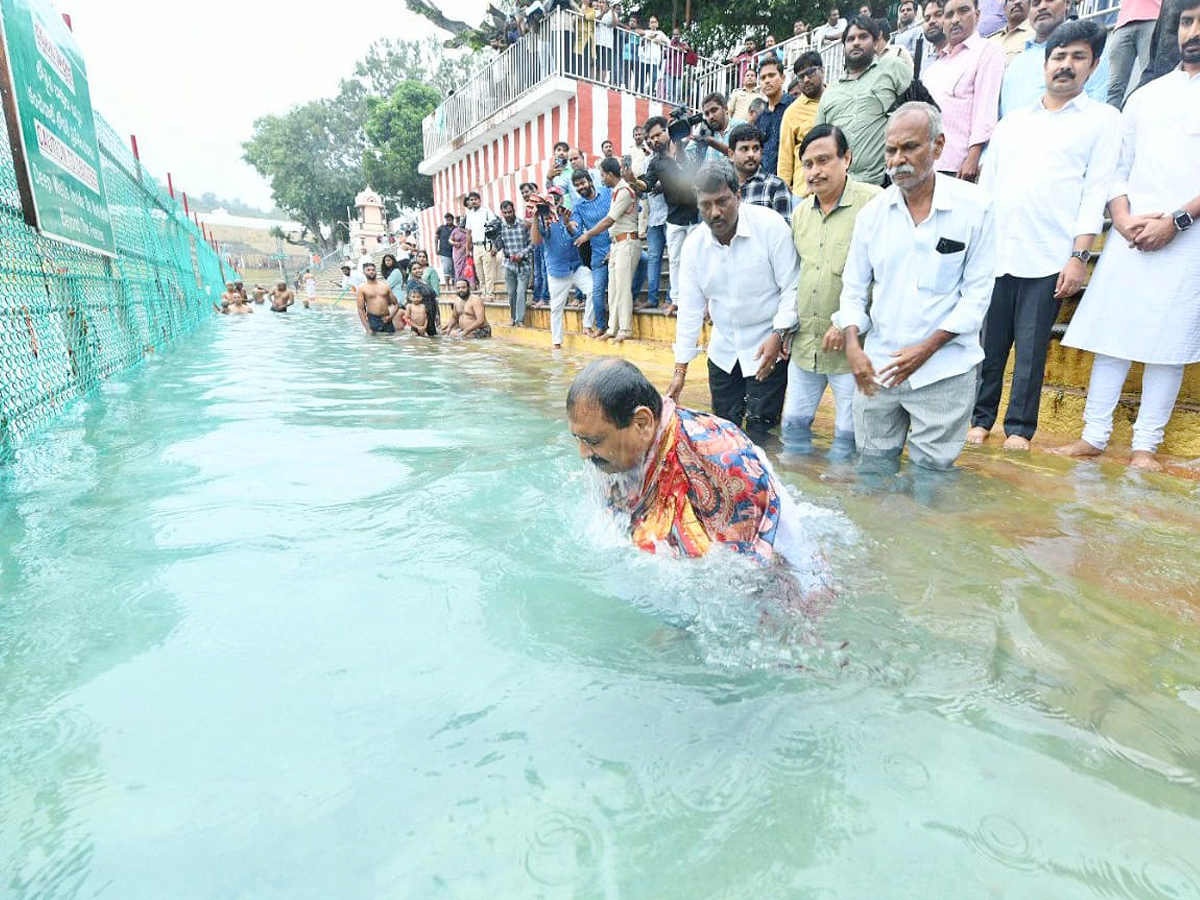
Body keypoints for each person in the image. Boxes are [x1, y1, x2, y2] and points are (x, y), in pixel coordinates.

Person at [1051, 1, 1200, 472]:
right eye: (1188, 21)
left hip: (1188, 236)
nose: (1192, 31)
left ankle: (1145, 448)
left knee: (1168, 344)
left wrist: (1174, 221)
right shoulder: (1147, 95)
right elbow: (1118, 167)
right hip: (1131, 232)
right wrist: (1123, 216)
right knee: (1113, 336)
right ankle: (1093, 436)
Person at [968, 19, 1120, 451]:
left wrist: (1079, 255)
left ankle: (1018, 430)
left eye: (1077, 57)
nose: (1066, 66)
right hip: (1000, 251)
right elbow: (988, 189)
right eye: (1058, 57)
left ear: (1093, 66)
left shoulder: (1102, 121)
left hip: (1050, 255)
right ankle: (981, 421)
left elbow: (1096, 191)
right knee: (989, 347)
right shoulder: (1013, 122)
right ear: (1045, 63)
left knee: (1032, 353)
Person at [831, 102, 996, 473]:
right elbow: (854, 288)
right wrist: (854, 346)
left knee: (932, 481)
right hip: (879, 367)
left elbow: (977, 296)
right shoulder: (872, 215)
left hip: (945, 372)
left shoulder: (975, 207)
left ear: (937, 146)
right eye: (891, 150)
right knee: (871, 472)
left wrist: (926, 349)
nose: (897, 160)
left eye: (910, 147)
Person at [566, 359, 811, 568]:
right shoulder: (625, 451)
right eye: (578, 439)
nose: (583, 453)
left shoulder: (722, 463)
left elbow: (753, 572)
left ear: (642, 423)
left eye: (593, 441)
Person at [668, 159, 801, 439]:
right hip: (724, 352)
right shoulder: (694, 247)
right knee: (722, 435)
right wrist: (680, 370)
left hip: (768, 349)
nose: (715, 212)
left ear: (738, 196)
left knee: (761, 434)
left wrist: (779, 333)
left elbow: (792, 286)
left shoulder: (770, 227)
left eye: (723, 201)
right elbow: (690, 310)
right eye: (705, 205)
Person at [784, 124, 882, 458]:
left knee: (847, 443)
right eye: (808, 164)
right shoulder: (799, 214)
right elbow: (794, 277)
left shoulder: (874, 205)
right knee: (792, 434)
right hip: (805, 346)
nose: (815, 171)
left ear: (847, 158)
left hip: (851, 352)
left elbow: (884, 279)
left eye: (824, 160)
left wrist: (846, 321)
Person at [815, 17, 914, 186]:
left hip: (885, 183)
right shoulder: (830, 92)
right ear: (844, 46)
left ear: (875, 42)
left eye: (863, 37)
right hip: (841, 187)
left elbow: (919, 111)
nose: (856, 43)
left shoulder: (892, 67)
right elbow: (819, 142)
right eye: (850, 39)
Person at [923, 0, 1006, 181]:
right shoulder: (933, 69)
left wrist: (973, 158)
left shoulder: (988, 51)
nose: (955, 20)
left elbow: (985, 109)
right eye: (949, 15)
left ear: (977, 15)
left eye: (963, 11)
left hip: (959, 167)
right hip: (929, 166)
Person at [636, 115, 701, 316]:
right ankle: (677, 300)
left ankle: (700, 300)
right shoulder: (655, 163)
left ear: (668, 130)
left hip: (696, 215)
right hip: (673, 218)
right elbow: (647, 185)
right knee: (675, 260)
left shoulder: (688, 147)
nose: (655, 139)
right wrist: (633, 182)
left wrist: (680, 147)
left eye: (659, 134)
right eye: (652, 137)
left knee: (699, 259)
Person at [1000, 0, 1111, 115]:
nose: (1042, 7)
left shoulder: (1087, 50)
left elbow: (1096, 104)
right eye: (1036, 3)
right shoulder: (1018, 61)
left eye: (1050, 0)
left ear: (1068, 3)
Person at [575, 157, 640, 342]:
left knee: (623, 288)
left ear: (611, 174)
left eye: (602, 174)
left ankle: (625, 329)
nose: (601, 178)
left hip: (627, 243)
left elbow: (609, 220)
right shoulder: (615, 191)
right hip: (617, 245)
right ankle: (612, 328)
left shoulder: (625, 191)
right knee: (613, 290)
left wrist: (587, 235)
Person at [531, 186, 592, 347]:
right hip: (557, 270)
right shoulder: (543, 219)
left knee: (593, 290)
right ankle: (556, 343)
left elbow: (579, 237)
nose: (554, 199)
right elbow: (536, 241)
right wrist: (535, 217)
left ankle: (587, 325)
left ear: (562, 198)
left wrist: (567, 224)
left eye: (557, 196)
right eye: (551, 196)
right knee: (556, 308)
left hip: (575, 265)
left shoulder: (570, 213)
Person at [570, 168, 613, 336]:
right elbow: (577, 228)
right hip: (598, 253)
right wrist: (570, 225)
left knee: (644, 260)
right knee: (596, 291)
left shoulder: (607, 193)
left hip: (618, 245)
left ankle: (634, 298)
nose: (580, 187)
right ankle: (601, 326)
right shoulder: (578, 206)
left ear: (590, 180)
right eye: (576, 186)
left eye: (582, 183)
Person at [778, 51, 827, 194]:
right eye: (800, 77)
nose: (805, 80)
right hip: (805, 193)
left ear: (822, 70)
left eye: (810, 73)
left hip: (839, 186)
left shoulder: (838, 98)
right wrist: (784, 193)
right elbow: (785, 159)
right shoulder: (792, 112)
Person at [729, 123, 792, 217]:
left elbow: (784, 229)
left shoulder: (775, 186)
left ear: (762, 152)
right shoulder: (724, 186)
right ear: (731, 155)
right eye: (744, 149)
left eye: (756, 149)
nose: (751, 154)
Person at [1108, 0, 1164, 105]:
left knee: (1151, 80)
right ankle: (1109, 119)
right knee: (1114, 87)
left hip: (1153, 19)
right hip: (1123, 23)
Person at [752, 57, 794, 176]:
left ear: (782, 78)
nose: (767, 81)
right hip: (766, 181)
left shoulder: (794, 107)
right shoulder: (760, 117)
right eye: (763, 78)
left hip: (791, 181)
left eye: (771, 75)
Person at [495, 200, 532, 326]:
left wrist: (521, 254)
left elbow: (532, 243)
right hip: (508, 264)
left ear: (514, 210)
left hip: (524, 264)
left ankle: (520, 320)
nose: (508, 215)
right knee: (511, 293)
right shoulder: (500, 227)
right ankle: (513, 317)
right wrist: (493, 240)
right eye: (505, 213)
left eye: (510, 212)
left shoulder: (524, 225)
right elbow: (498, 246)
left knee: (521, 292)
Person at [464, 191, 500, 301]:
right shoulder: (469, 215)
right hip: (476, 246)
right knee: (479, 272)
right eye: (471, 200)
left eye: (475, 199)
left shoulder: (487, 212)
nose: (473, 201)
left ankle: (489, 294)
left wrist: (494, 245)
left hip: (487, 244)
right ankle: (483, 292)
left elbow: (495, 229)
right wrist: (467, 249)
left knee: (488, 271)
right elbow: (468, 233)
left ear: (479, 200)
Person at [691, 92, 746, 161]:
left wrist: (712, 142)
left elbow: (744, 157)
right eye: (707, 114)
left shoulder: (741, 126)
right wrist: (678, 144)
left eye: (714, 110)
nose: (711, 116)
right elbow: (685, 161)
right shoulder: (703, 131)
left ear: (725, 108)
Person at [355, 263, 400, 333]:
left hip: (387, 318)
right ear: (364, 272)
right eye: (368, 270)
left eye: (373, 270)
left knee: (391, 341)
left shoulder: (385, 286)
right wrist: (367, 328)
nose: (371, 271)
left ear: (376, 271)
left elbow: (396, 304)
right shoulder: (362, 288)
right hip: (373, 319)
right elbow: (360, 310)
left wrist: (391, 316)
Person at [914, 0, 948, 77]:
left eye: (938, 15)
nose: (931, 21)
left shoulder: (967, 55)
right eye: (927, 18)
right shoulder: (922, 58)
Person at [450, 216, 472, 284]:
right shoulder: (455, 230)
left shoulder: (469, 230)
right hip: (457, 252)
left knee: (468, 267)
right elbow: (450, 240)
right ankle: (459, 283)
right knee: (458, 268)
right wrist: (455, 243)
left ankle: (470, 284)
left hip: (467, 251)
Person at [435, 212, 457, 283]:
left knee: (455, 269)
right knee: (446, 268)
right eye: (447, 220)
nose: (448, 221)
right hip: (444, 252)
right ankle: (447, 285)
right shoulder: (441, 228)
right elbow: (436, 238)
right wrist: (436, 248)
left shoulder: (456, 228)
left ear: (452, 220)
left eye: (450, 220)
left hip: (455, 252)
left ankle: (454, 284)